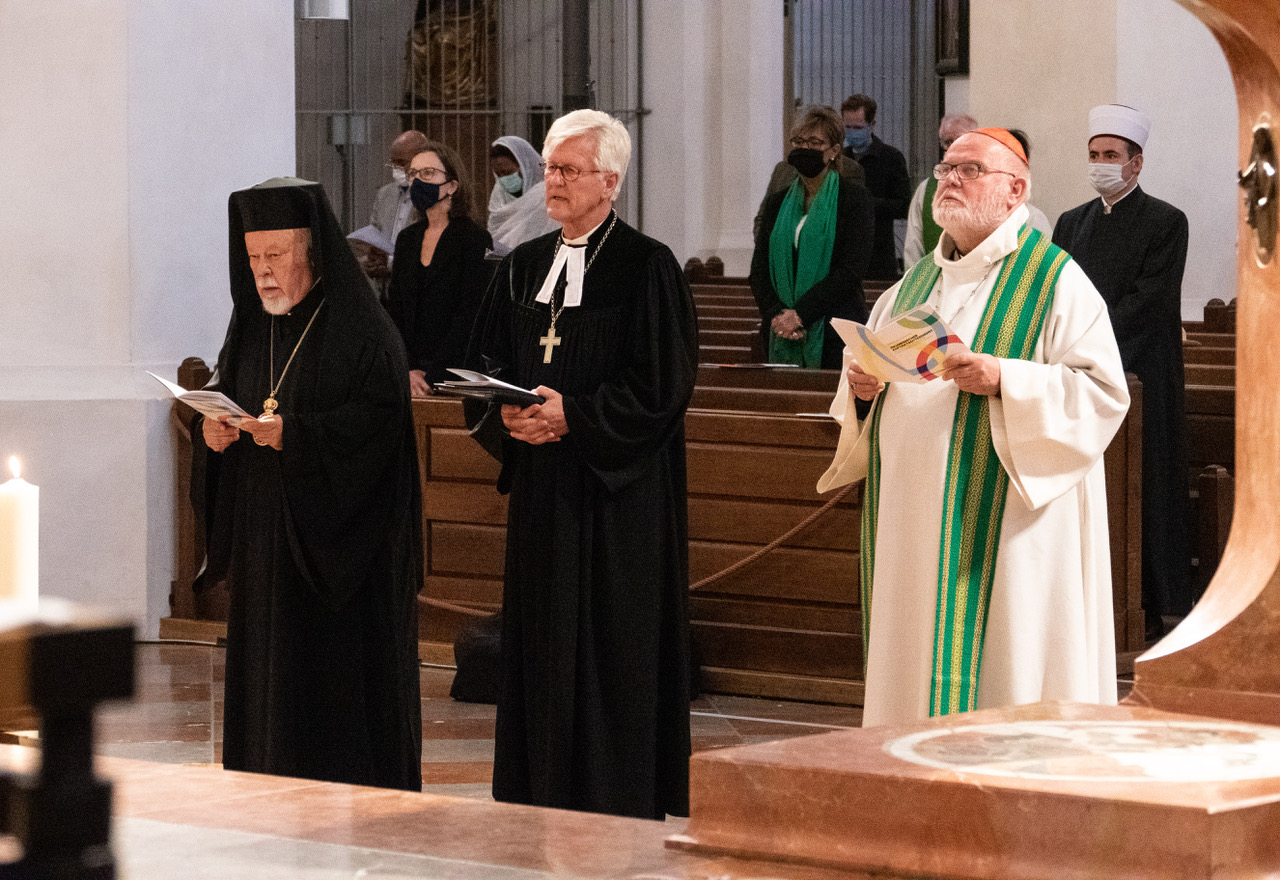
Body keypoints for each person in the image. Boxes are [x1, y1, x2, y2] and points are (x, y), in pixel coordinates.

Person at [817, 129, 1130, 727]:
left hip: (1009, 526)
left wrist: (1006, 379)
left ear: (1016, 190)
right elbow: (870, 372)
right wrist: (861, 390)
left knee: (1007, 671)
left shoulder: (1055, 280)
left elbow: (1102, 392)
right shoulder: (913, 286)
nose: (950, 180)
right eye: (945, 169)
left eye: (970, 170)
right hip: (913, 520)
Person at [467, 109, 698, 820]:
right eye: (550, 168)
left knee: (611, 643)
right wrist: (506, 418)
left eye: (569, 170)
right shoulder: (523, 266)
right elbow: (485, 361)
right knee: (540, 638)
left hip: (616, 497)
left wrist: (577, 416)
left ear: (611, 181)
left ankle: (614, 790)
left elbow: (663, 384)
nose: (554, 182)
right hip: (543, 487)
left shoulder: (647, 266)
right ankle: (538, 784)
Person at [198, 178, 423, 790]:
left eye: (275, 255)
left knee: (331, 702)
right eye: (252, 257)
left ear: (312, 252)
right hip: (264, 539)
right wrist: (212, 433)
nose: (262, 272)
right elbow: (226, 394)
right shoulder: (251, 325)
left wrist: (294, 435)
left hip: (340, 560)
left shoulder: (363, 331)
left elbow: (379, 431)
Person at [1053, 103, 1191, 637]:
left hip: (1141, 372)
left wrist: (1087, 341)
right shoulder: (1071, 222)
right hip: (1078, 375)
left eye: (1111, 155)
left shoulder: (1166, 221)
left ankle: (1153, 604)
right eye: (1094, 154)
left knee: (1145, 485)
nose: (1100, 163)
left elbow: (1150, 301)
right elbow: (1055, 293)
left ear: (1136, 163)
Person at [750, 106, 875, 368]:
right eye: (799, 142)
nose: (805, 148)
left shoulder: (854, 200)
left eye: (815, 143)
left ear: (833, 150)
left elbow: (851, 270)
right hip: (780, 330)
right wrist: (778, 316)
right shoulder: (777, 203)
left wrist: (801, 315)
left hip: (835, 332)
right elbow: (759, 270)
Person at [386, 141, 493, 396]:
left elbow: (470, 315)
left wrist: (433, 374)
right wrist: (407, 369)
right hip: (410, 375)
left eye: (428, 173)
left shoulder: (474, 238)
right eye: (413, 174)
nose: (417, 181)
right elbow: (396, 310)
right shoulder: (407, 239)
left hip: (455, 372)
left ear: (452, 186)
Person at [841, 93, 912, 279]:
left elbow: (903, 205)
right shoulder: (839, 159)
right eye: (848, 127)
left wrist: (865, 203)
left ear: (871, 125)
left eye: (858, 127)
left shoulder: (891, 158)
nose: (852, 132)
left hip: (878, 254)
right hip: (844, 253)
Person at [903, 114, 978, 266]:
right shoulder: (926, 190)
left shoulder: (987, 185)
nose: (954, 146)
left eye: (960, 139)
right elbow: (913, 247)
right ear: (942, 145)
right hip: (936, 277)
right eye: (948, 142)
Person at [363, 130, 430, 281]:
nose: (396, 168)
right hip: (386, 283)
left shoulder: (430, 195)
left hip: (417, 279)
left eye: (401, 162)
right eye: (392, 163)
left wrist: (390, 264)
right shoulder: (384, 194)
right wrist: (373, 259)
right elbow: (374, 234)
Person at [487, 135, 559, 254]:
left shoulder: (545, 196)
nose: (503, 178)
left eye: (507, 172)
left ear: (525, 167)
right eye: (498, 174)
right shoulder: (498, 197)